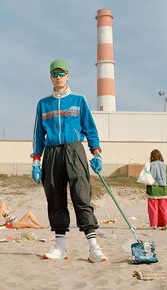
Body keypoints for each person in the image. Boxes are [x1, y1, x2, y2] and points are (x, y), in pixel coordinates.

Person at [31, 59, 107, 263]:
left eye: (61, 74)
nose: (58, 78)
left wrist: (96, 153)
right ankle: (60, 246)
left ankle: (93, 248)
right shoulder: (43, 104)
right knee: (55, 197)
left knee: (81, 195)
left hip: (74, 150)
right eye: (54, 74)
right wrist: (36, 161)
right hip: (52, 153)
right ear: (50, 77)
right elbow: (38, 135)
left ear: (68, 75)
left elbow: (90, 129)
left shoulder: (79, 100)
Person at [146, 149, 167, 230]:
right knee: (164, 208)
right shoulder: (164, 165)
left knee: (153, 209)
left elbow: (148, 178)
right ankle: (166, 223)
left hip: (153, 190)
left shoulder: (150, 165)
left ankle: (154, 225)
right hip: (163, 190)